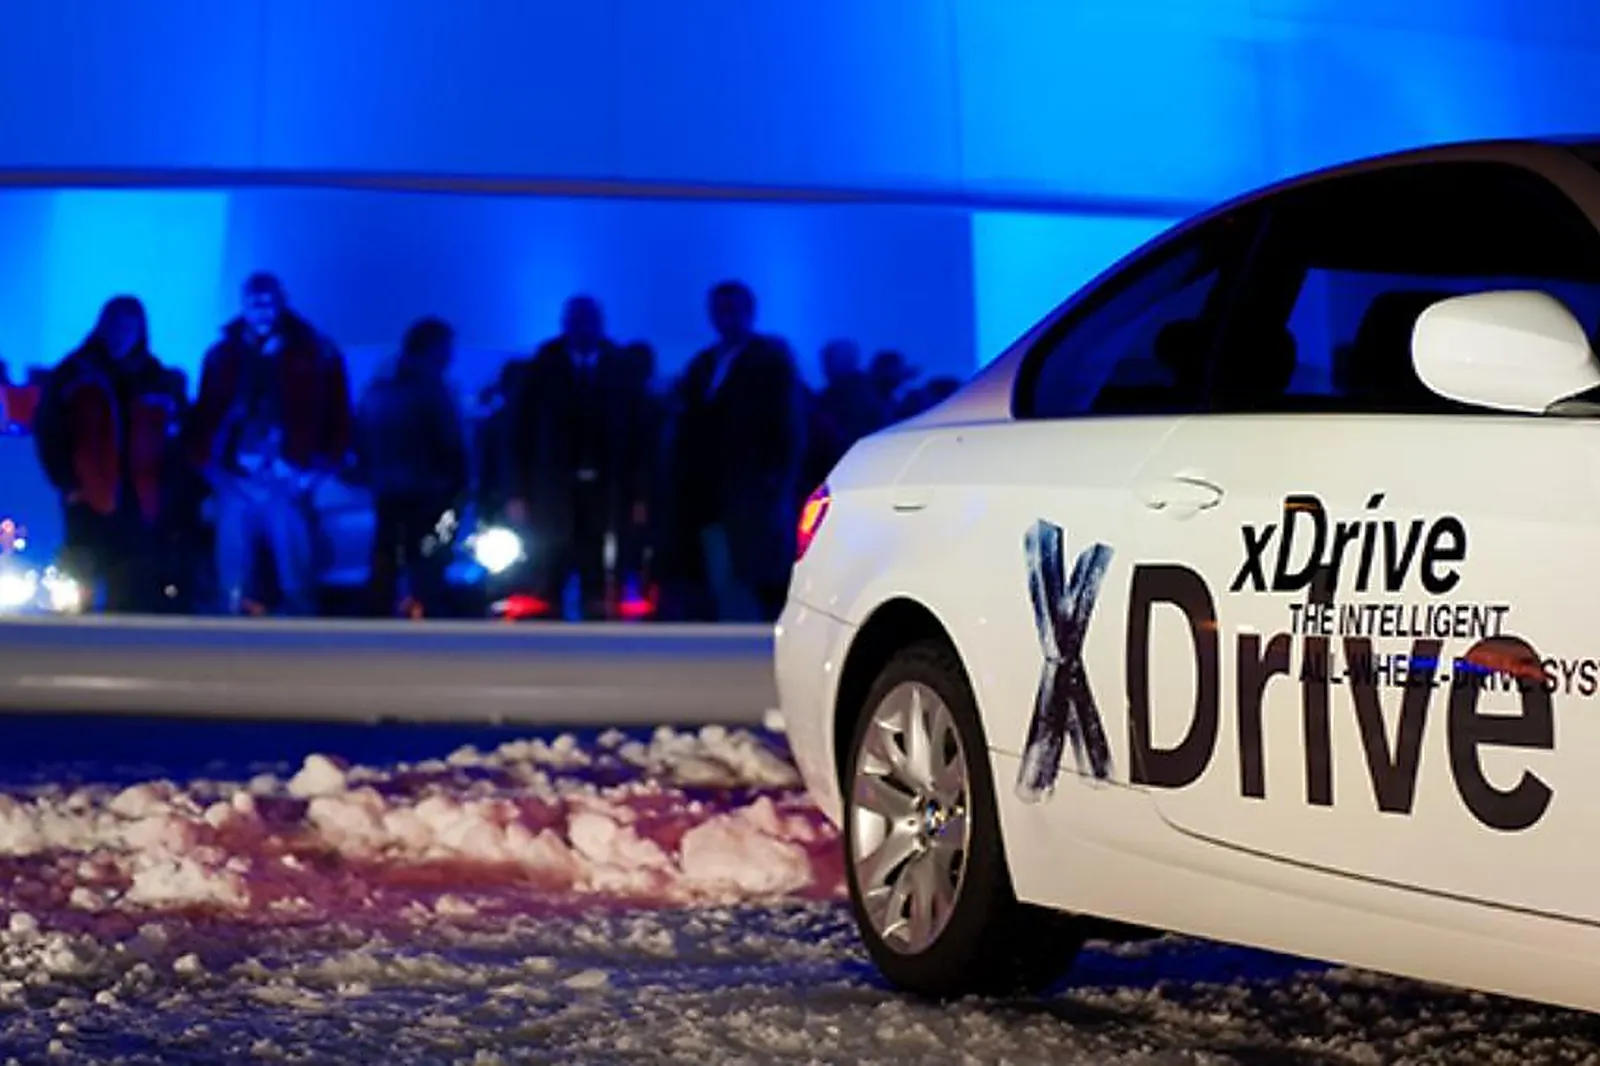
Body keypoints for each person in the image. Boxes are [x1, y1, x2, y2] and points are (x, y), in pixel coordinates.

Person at [189, 273, 352, 615]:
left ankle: (300, 634)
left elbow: (338, 414)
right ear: (243, 306)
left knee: (295, 569)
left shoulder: (316, 351)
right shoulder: (223, 355)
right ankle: (230, 631)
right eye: (254, 303)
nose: (261, 311)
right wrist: (207, 466)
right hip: (236, 477)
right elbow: (205, 412)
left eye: (268, 302)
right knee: (232, 570)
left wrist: (319, 468)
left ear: (282, 301)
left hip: (288, 475)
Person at [33, 296, 189, 611]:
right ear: (103, 326)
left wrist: (168, 491)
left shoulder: (157, 378)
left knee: (131, 583)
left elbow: (177, 439)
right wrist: (67, 482)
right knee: (80, 578)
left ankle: (124, 653)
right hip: (89, 491)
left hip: (140, 497)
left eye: (130, 326)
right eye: (116, 324)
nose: (122, 333)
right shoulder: (74, 373)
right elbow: (49, 430)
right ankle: (70, 649)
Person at [663, 281, 806, 622]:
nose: (725, 317)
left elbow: (788, 429)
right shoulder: (704, 363)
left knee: (744, 574)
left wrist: (778, 485)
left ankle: (747, 646)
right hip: (706, 492)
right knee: (718, 574)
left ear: (748, 313)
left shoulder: (770, 361)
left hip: (751, 488)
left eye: (732, 310)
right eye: (719, 310)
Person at [505, 296, 650, 619]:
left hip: (607, 486)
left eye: (589, 320)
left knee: (597, 563)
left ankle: (595, 630)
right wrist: (517, 491)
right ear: (565, 324)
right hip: (552, 485)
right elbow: (519, 433)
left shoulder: (621, 367)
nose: (583, 327)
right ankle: (548, 628)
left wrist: (640, 493)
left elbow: (639, 435)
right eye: (576, 320)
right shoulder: (543, 366)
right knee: (551, 559)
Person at [356, 317, 469, 617]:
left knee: (386, 559)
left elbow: (362, 442)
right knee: (431, 559)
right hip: (432, 494)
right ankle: (428, 619)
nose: (451, 356)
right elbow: (450, 444)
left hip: (388, 490)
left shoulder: (377, 388)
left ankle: (377, 623)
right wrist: (459, 489)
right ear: (433, 349)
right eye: (446, 348)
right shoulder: (433, 388)